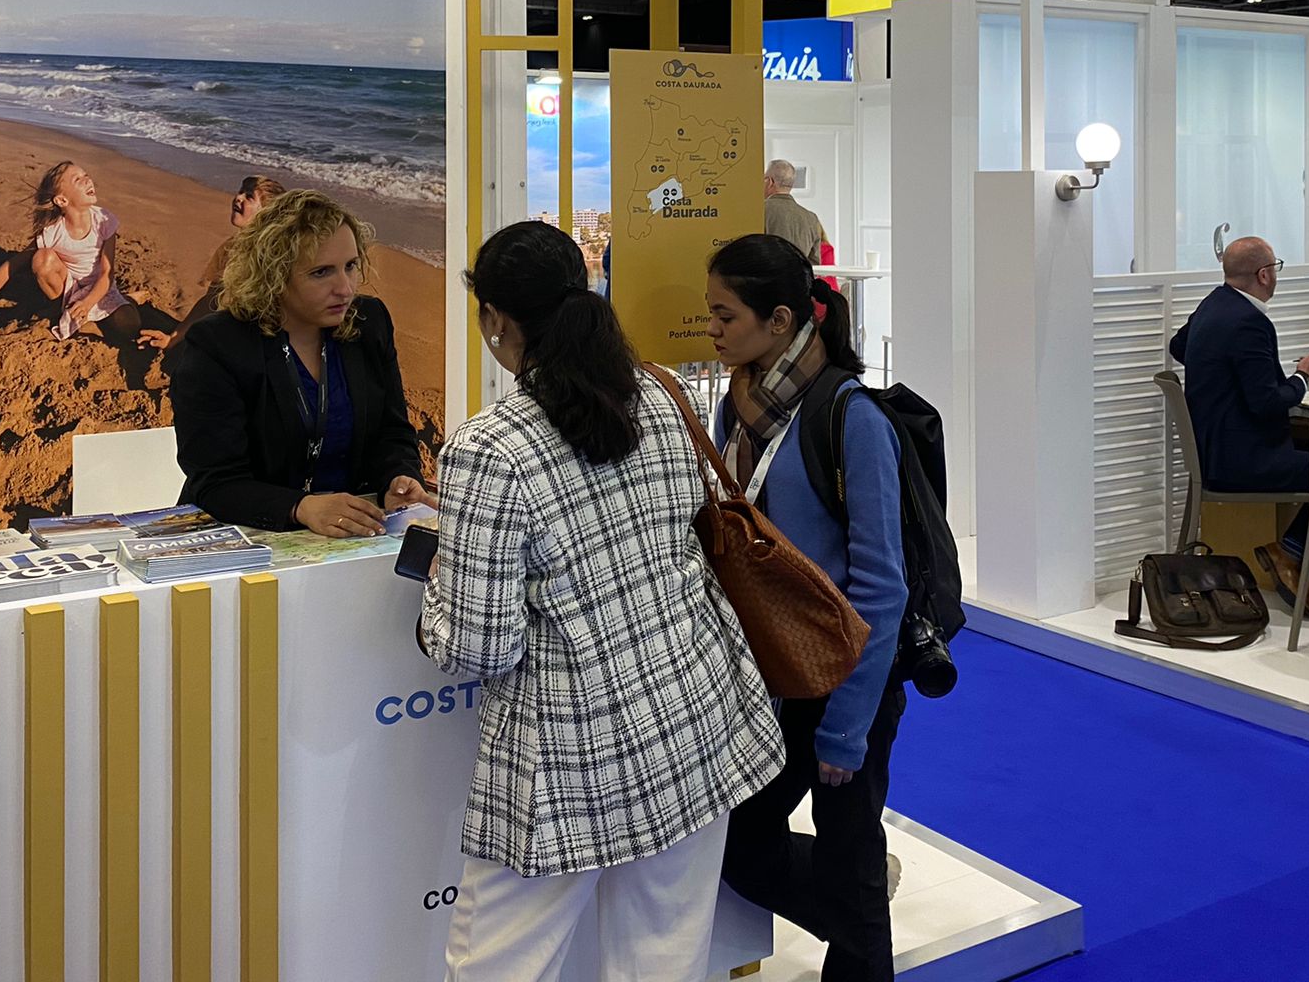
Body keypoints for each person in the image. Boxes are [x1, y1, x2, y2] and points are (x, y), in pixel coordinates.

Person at [419, 221, 783, 982]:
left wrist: (434, 606)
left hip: (566, 752)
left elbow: (480, 647)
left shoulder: (490, 449)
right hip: (692, 708)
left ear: (495, 319)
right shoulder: (659, 392)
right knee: (666, 953)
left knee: (498, 965)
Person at [707, 233, 908, 982]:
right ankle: (860, 914)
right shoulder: (736, 409)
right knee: (743, 844)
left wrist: (847, 727)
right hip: (771, 679)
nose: (712, 329)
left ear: (781, 320)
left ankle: (860, 926)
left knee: (849, 861)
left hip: (846, 680)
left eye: (725, 315)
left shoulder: (851, 416)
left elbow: (882, 587)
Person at [169, 190, 429, 534]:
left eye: (350, 266)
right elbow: (214, 482)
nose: (345, 288)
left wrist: (398, 477)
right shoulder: (218, 344)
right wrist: (299, 507)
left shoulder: (369, 322)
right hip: (248, 536)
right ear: (275, 276)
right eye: (322, 272)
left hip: (352, 533)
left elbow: (392, 432)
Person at [1167, 236, 1309, 624]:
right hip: (1243, 461)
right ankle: (1294, 557)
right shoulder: (1250, 322)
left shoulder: (1213, 304)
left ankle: (1296, 558)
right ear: (1265, 274)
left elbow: (1178, 347)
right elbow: (1266, 402)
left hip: (1213, 451)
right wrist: (1302, 377)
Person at [0, 160, 148, 348]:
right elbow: (10, 267)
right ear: (62, 200)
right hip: (69, 288)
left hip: (100, 286)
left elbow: (106, 274)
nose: (87, 180)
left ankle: (128, 299)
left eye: (86, 175)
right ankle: (61, 310)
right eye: (78, 179)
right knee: (42, 259)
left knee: (129, 326)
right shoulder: (52, 232)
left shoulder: (104, 221)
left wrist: (88, 303)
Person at [151, 174, 287, 352]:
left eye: (249, 196)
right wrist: (173, 338)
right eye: (241, 191)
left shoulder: (274, 258)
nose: (238, 197)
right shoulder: (232, 248)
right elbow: (211, 300)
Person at [763, 159, 827, 263]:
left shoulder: (759, 212)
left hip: (767, 273)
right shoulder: (811, 218)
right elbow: (814, 263)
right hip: (800, 273)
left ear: (770, 182)